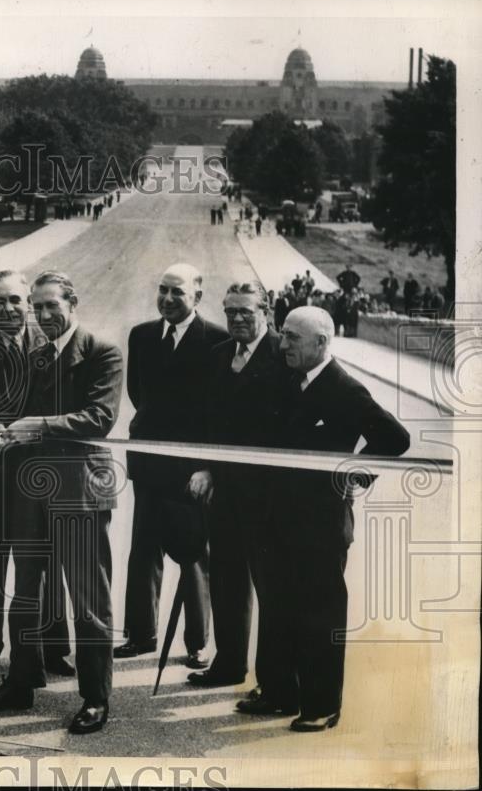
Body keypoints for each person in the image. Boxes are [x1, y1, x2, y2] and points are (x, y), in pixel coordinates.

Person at [0, 271, 122, 734]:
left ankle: (96, 697)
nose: (44, 315)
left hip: (78, 492)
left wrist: (36, 425)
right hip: (31, 490)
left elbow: (99, 417)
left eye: (52, 305)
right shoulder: (36, 356)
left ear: (73, 303)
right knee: (26, 593)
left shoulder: (102, 351)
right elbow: (16, 415)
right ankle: (21, 680)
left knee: (88, 601)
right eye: (38, 307)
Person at [256, 307, 409, 732]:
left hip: (321, 525)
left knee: (320, 616)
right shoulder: (288, 380)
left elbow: (395, 438)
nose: (283, 344)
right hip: (279, 520)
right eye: (283, 335)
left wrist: (355, 470)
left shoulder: (344, 388)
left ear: (321, 343)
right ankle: (281, 694)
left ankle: (322, 705)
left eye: (293, 338)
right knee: (281, 608)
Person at [116, 263, 228, 666]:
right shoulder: (142, 335)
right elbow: (137, 393)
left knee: (193, 555)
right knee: (143, 548)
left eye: (176, 292)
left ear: (197, 297)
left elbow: (220, 412)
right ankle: (140, 634)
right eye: (162, 289)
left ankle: (197, 643)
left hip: (190, 471)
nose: (166, 298)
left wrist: (206, 466)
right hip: (147, 461)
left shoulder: (218, 340)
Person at [0, 270, 73, 678]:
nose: (8, 309)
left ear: (27, 301)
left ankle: (54, 647)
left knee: (44, 562)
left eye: (15, 300)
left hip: (37, 473)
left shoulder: (48, 341)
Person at [185, 281, 290, 694]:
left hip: (269, 497)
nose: (237, 319)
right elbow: (205, 420)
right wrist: (204, 466)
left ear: (265, 311)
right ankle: (228, 664)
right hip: (224, 494)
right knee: (227, 581)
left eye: (246, 311)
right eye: (230, 312)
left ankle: (275, 681)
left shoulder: (284, 355)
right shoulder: (218, 356)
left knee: (272, 590)